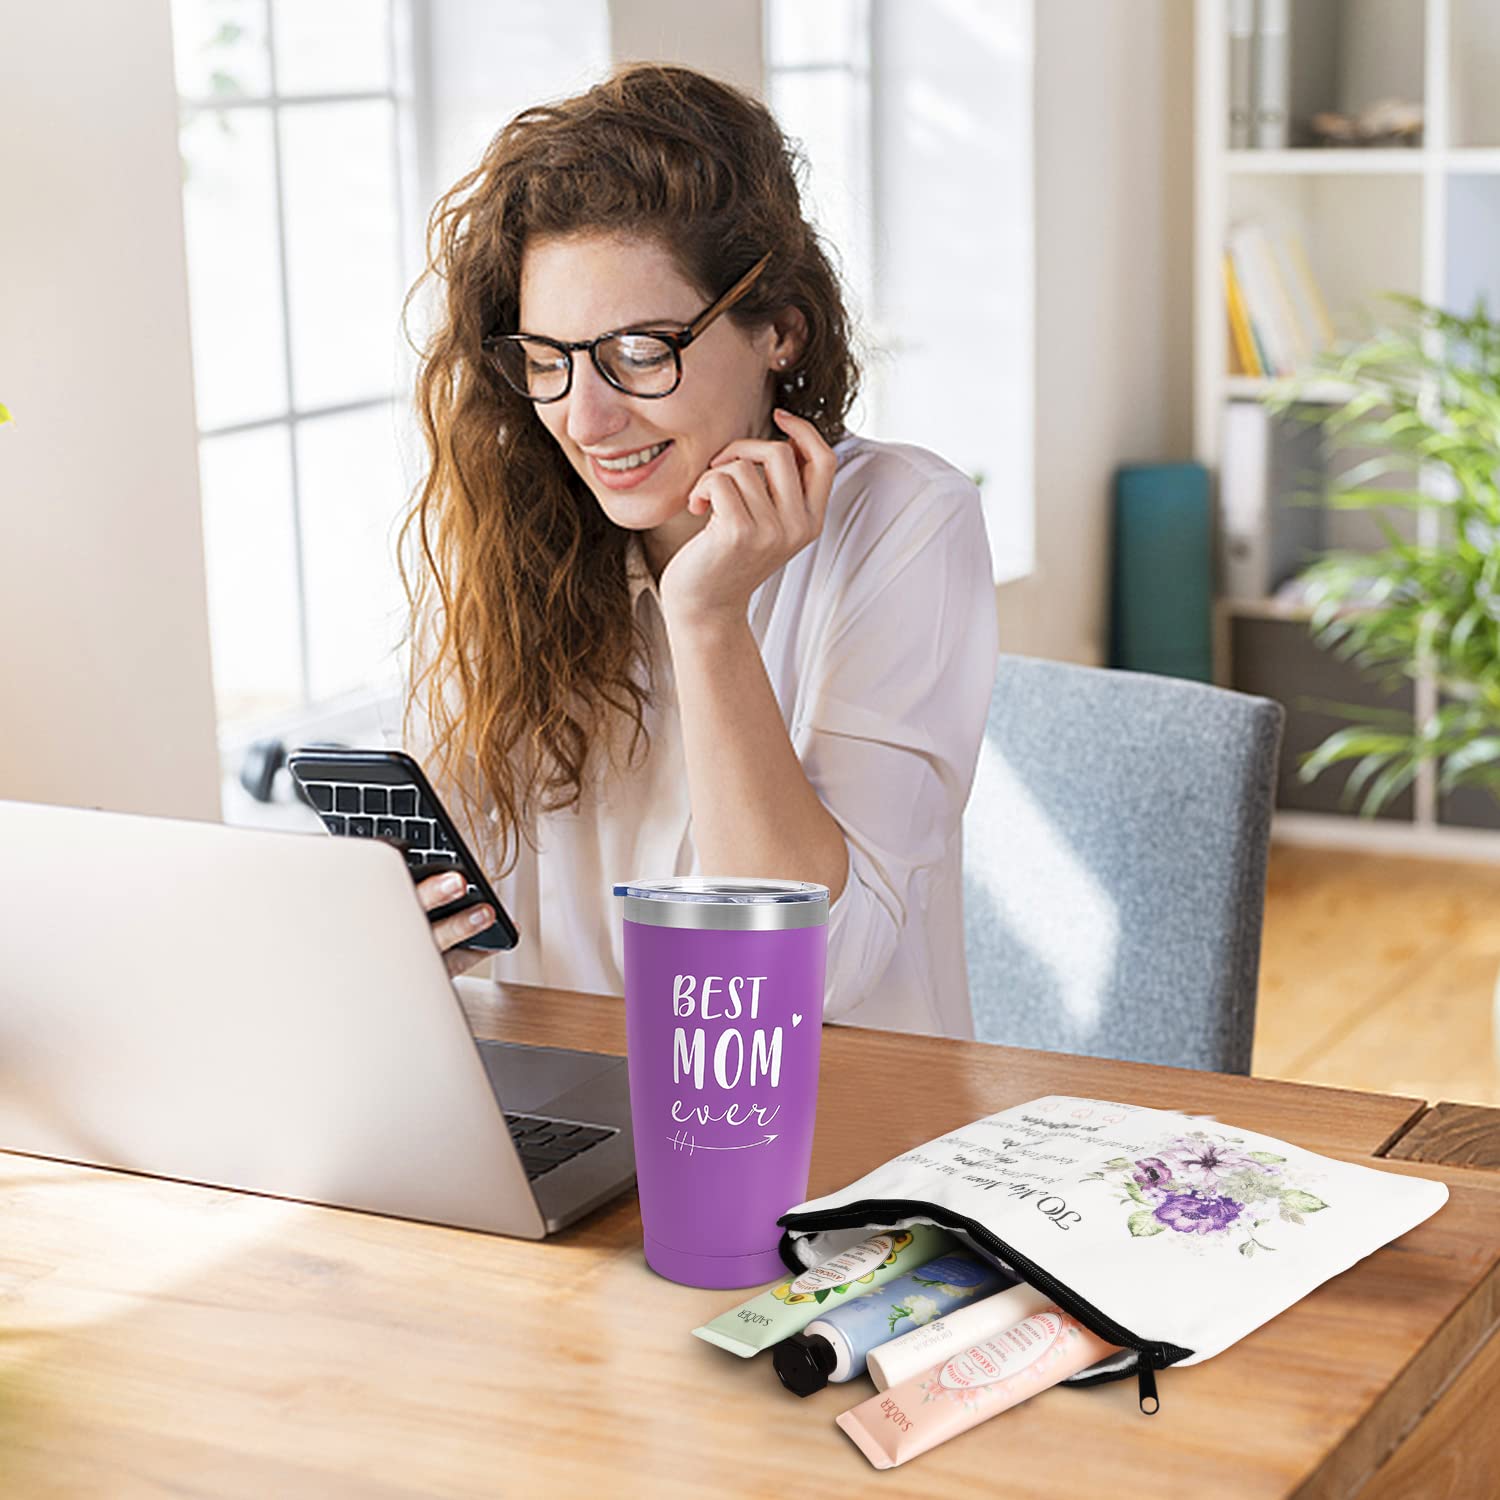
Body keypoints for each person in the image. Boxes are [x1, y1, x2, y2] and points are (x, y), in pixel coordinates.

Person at [397, 62, 998, 1038]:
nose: (584, 418)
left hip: (836, 1142)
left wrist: (707, 617)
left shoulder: (904, 519)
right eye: (548, 361)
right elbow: (478, 913)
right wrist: (417, 929)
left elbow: (807, 974)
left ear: (780, 332)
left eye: (640, 352)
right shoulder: (520, 541)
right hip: (586, 1123)